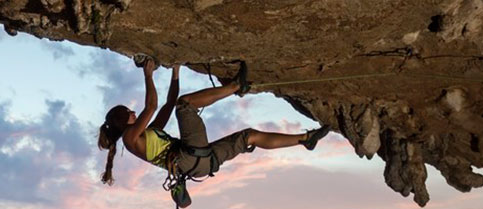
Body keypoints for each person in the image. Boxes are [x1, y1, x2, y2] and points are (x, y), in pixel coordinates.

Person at [98, 58, 331, 189]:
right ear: (121, 121)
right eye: (129, 113)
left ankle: (305, 139)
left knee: (249, 136)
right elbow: (152, 107)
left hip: (202, 163)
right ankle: (235, 86)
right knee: (185, 105)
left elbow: (168, 103)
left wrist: (176, 71)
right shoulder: (130, 139)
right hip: (190, 157)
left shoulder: (149, 134)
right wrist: (148, 75)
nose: (134, 112)